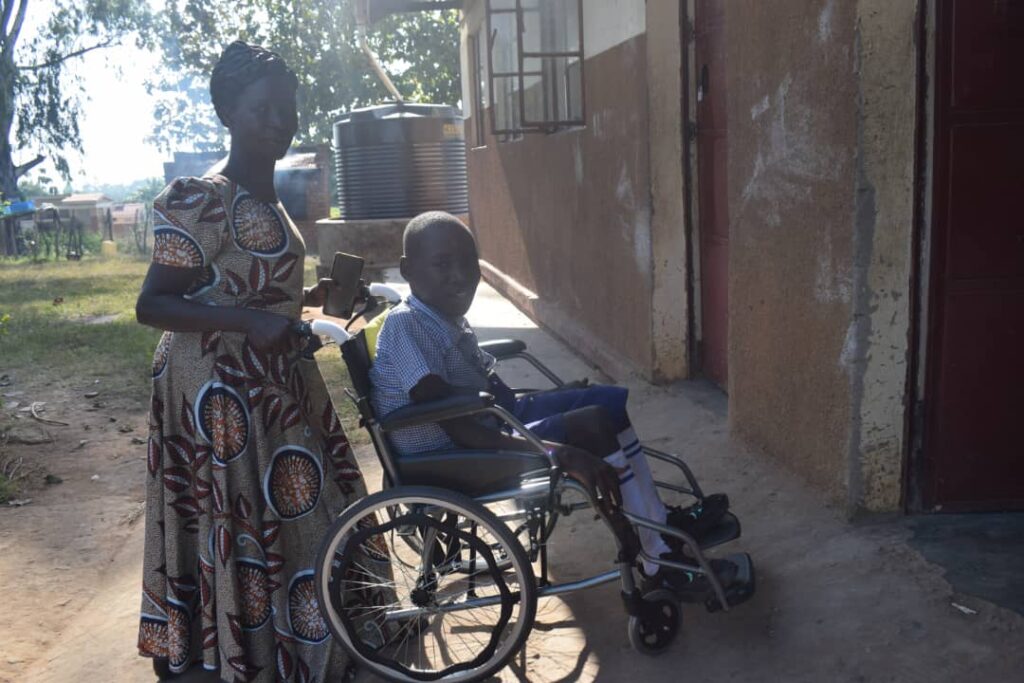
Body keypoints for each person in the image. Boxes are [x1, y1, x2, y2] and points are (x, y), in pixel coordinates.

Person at [135, 41, 372, 681]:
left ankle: (286, 642)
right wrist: (246, 321)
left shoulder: (270, 199)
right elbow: (153, 303)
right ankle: (230, 652)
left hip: (267, 385)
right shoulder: (204, 197)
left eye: (286, 109)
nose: (278, 122)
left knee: (292, 506)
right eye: (262, 109)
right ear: (229, 114)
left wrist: (318, 298)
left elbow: (250, 285)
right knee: (241, 515)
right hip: (216, 398)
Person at [369, 211, 734, 595]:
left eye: (467, 262)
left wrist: (551, 399)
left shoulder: (443, 317)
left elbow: (485, 388)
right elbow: (457, 425)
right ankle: (656, 557)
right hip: (453, 455)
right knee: (590, 424)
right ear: (407, 269)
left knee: (605, 401)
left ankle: (657, 520)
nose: (460, 276)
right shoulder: (405, 327)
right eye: (443, 264)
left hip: (488, 422)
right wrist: (555, 452)